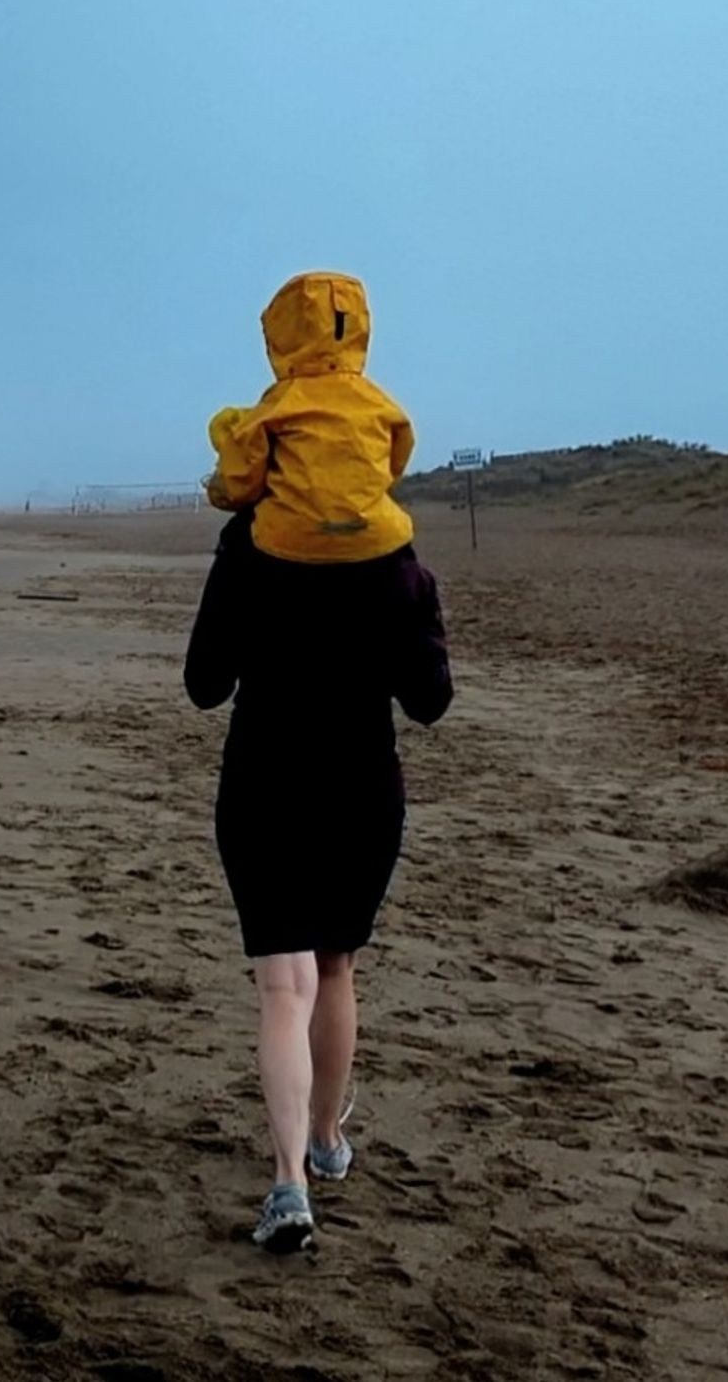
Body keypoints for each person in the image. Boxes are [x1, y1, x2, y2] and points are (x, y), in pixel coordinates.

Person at [185, 276, 454, 1255]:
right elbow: (428, 700)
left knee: (281, 983)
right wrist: (418, 617)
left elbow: (203, 683)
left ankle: (288, 1181)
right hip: (360, 792)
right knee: (333, 965)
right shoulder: (397, 557)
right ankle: (327, 1137)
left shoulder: (247, 543)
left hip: (263, 782)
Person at [206, 272, 416, 564]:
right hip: (375, 536)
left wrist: (218, 491)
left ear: (283, 333)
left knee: (234, 542)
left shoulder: (280, 401)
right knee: (413, 578)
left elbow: (241, 482)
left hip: (290, 541)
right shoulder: (379, 402)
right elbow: (397, 459)